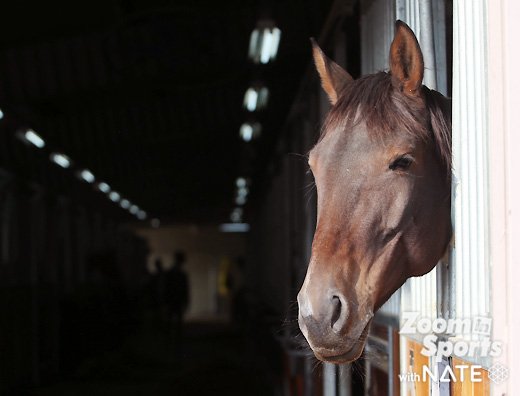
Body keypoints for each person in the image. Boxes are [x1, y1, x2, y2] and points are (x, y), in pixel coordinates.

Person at [164, 250, 190, 349]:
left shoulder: (171, 273)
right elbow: (185, 290)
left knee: (170, 323)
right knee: (176, 324)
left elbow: (165, 289)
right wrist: (186, 302)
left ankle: (169, 343)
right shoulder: (182, 275)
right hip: (176, 301)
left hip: (172, 301)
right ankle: (175, 344)